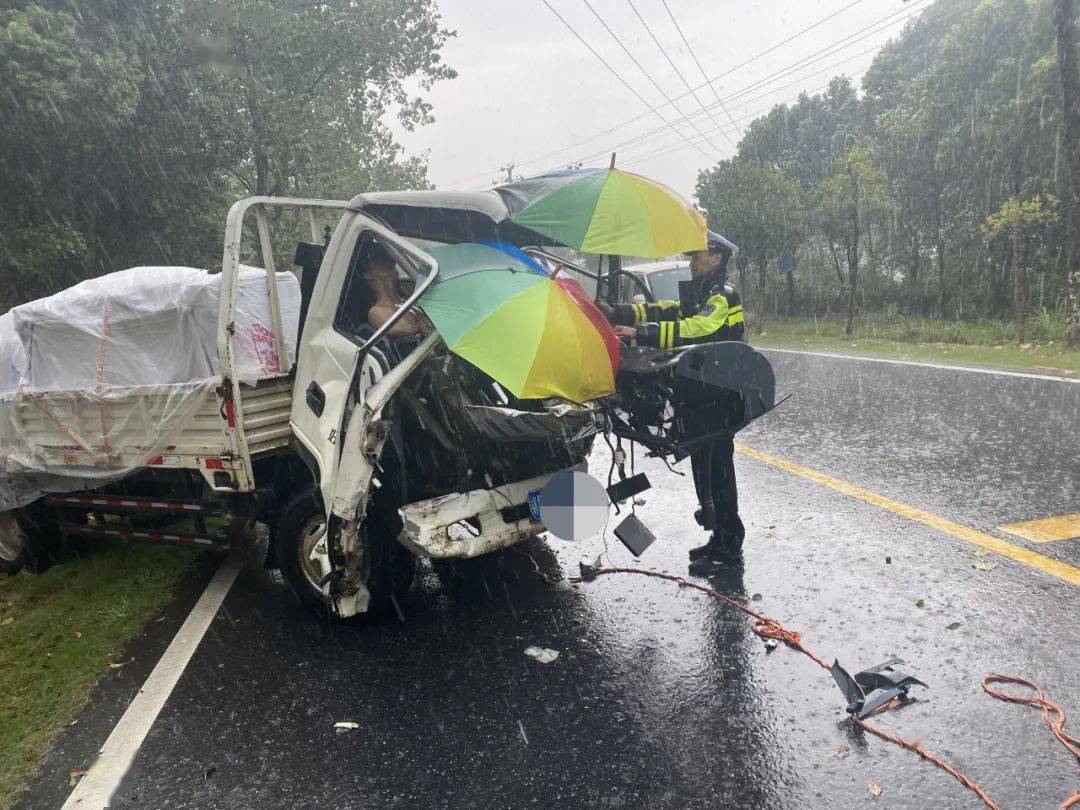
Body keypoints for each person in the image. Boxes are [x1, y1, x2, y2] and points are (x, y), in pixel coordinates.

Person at [603, 233, 747, 576]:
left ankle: (730, 548)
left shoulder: (722, 297)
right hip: (702, 395)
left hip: (720, 397)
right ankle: (717, 539)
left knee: (719, 472)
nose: (692, 261)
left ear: (715, 258)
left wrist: (642, 335)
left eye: (697, 256)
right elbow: (661, 309)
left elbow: (696, 329)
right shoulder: (699, 292)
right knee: (704, 470)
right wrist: (619, 312)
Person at [357, 241, 433, 337]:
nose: (385, 260)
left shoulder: (407, 301)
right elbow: (405, 330)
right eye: (376, 258)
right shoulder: (376, 311)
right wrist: (421, 326)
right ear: (368, 274)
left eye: (385, 256)